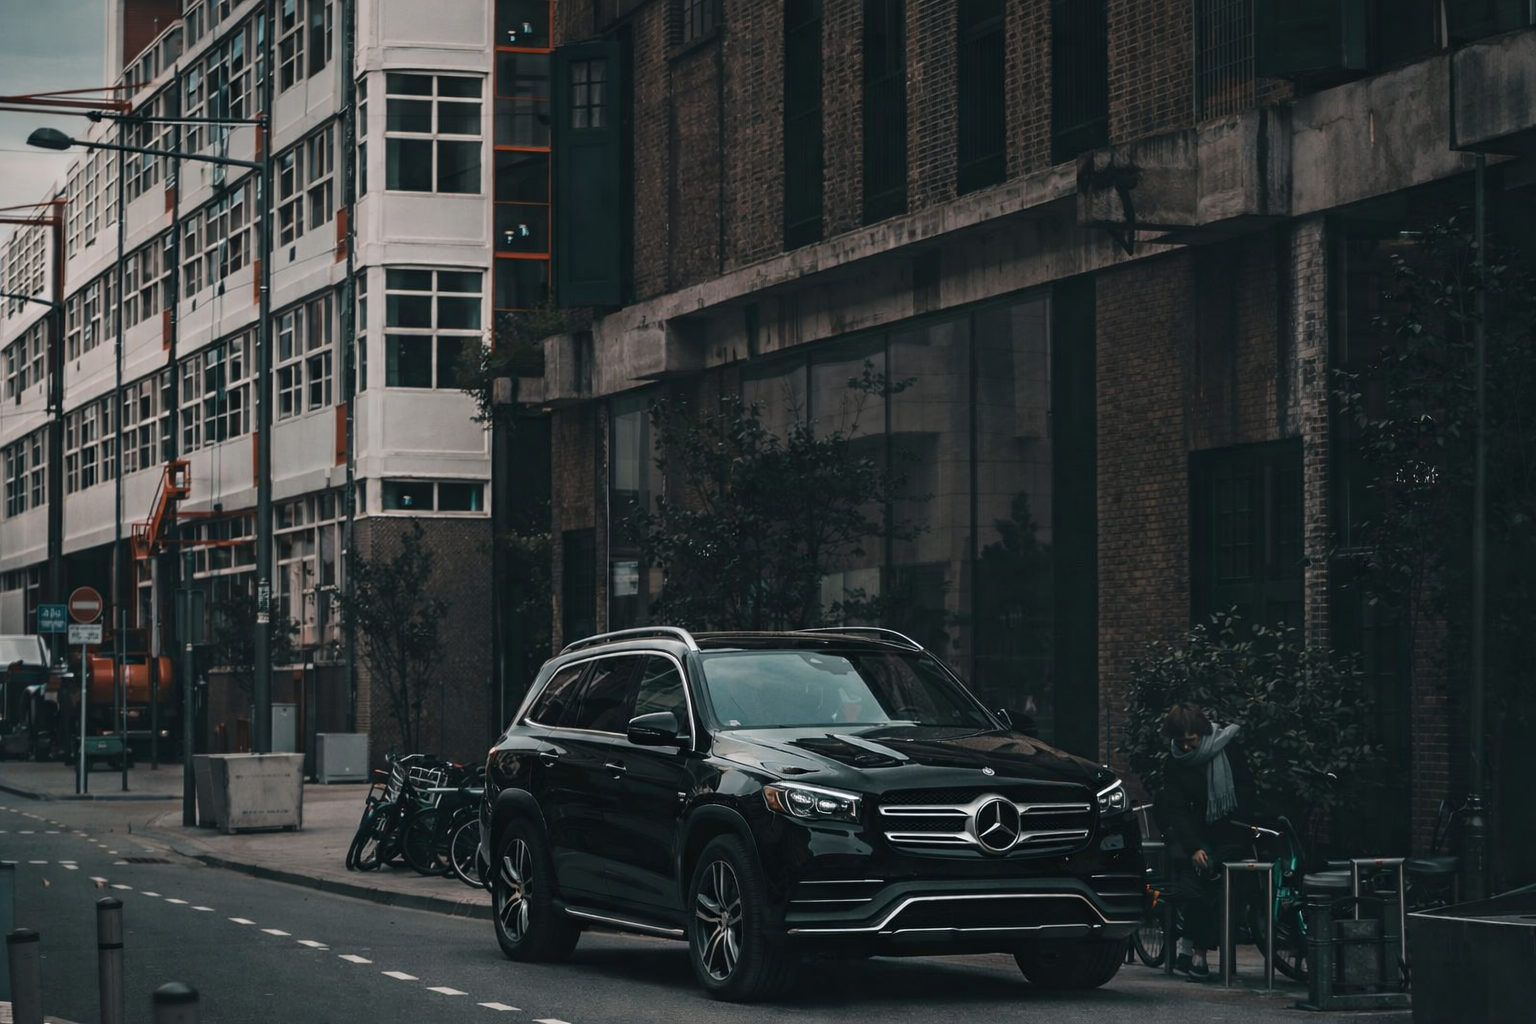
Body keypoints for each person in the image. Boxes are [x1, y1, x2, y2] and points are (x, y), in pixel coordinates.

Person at [1157, 702, 1255, 981]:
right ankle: (1196, 954)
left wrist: (1240, 830)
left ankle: (1192, 951)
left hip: (1230, 831)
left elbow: (1246, 789)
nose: (1186, 748)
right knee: (1195, 889)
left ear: (1201, 732)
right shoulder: (1174, 761)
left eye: (1191, 741)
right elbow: (1175, 807)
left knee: (1219, 892)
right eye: (1180, 742)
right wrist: (1193, 846)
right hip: (1196, 833)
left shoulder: (1228, 748)